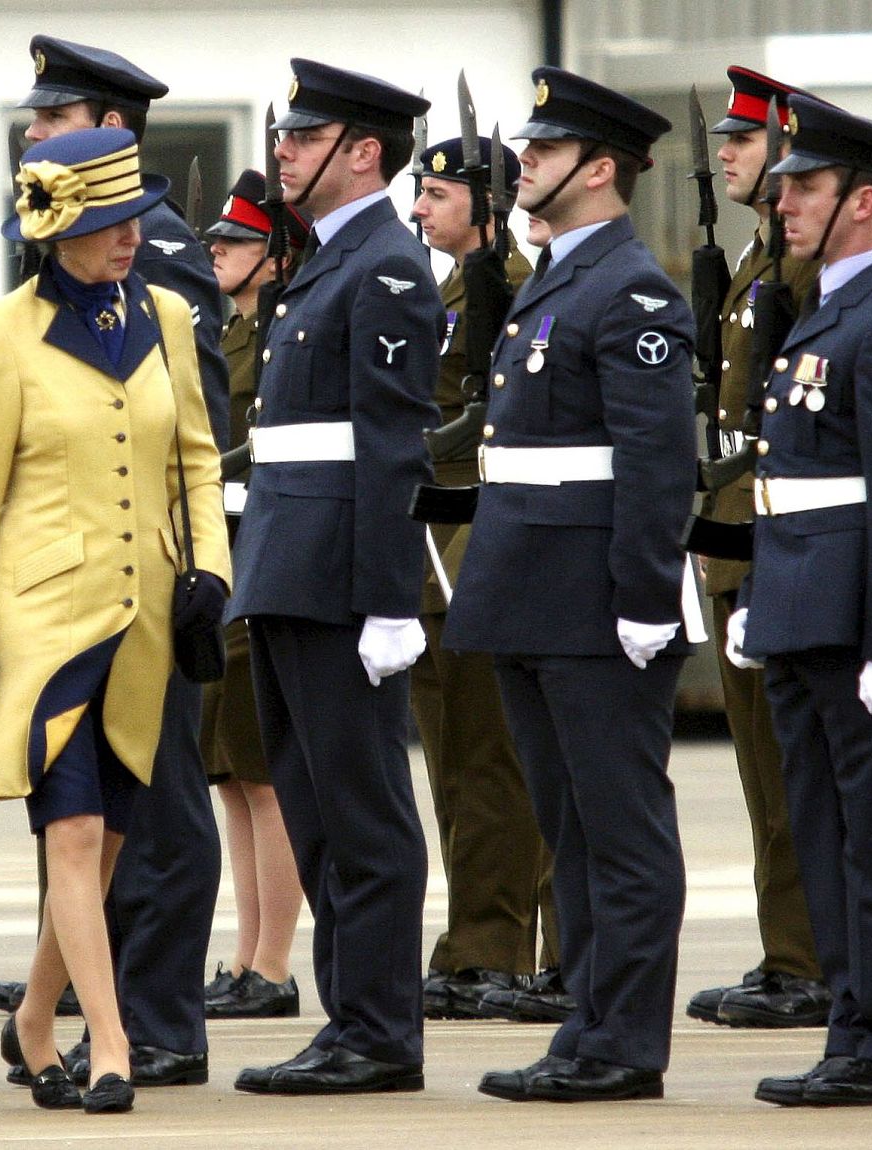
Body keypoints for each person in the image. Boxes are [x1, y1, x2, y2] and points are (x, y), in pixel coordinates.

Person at [0, 126, 229, 1116]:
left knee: (107, 845)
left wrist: (209, 575)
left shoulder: (171, 317)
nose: (129, 238)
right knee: (69, 833)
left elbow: (196, 459)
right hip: (40, 624)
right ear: (55, 231)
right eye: (108, 223)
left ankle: (32, 1016)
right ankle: (109, 1042)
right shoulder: (0, 334)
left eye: (134, 220)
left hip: (143, 616)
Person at [447, 67, 697, 1103]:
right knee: (572, 831)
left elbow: (653, 463)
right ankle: (588, 1023)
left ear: (599, 171)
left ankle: (623, 1039)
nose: (522, 166)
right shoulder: (555, 280)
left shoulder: (630, 291)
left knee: (619, 831)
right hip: (530, 593)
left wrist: (643, 599)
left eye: (542, 154)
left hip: (595, 605)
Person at [729, 94, 872, 1108]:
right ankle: (851, 1025)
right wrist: (757, 593)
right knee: (821, 831)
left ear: (860, 201)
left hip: (862, 615)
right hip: (799, 600)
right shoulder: (825, 309)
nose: (783, 201)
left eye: (805, 187)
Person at [226, 59, 438, 1096]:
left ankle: (381, 1031)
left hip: (341, 585)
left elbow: (392, 447)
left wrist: (391, 599)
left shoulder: (386, 267)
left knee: (362, 815)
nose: (282, 153)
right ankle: (347, 1017)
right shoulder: (323, 262)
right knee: (312, 812)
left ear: (361, 154)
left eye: (304, 140)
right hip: (286, 571)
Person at [687, 65, 829, 1032]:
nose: (728, 154)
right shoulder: (753, 257)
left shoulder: (801, 266)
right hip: (737, 531)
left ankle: (811, 958)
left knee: (792, 765)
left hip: (777, 532)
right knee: (761, 768)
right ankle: (792, 952)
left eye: (742, 140)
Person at [406, 134, 561, 1023]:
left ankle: (493, 948)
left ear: (485, 202)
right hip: (435, 548)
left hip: (481, 544)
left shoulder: (505, 281)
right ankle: (473, 940)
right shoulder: (455, 288)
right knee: (456, 764)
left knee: (492, 762)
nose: (420, 208)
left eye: (436, 193)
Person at [199, 170, 307, 1020]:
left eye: (234, 243)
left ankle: (273, 961)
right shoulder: (233, 335)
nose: (217, 255)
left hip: (260, 546)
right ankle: (243, 955)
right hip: (227, 552)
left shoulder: (275, 337)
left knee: (266, 777)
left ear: (276, 258)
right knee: (233, 775)